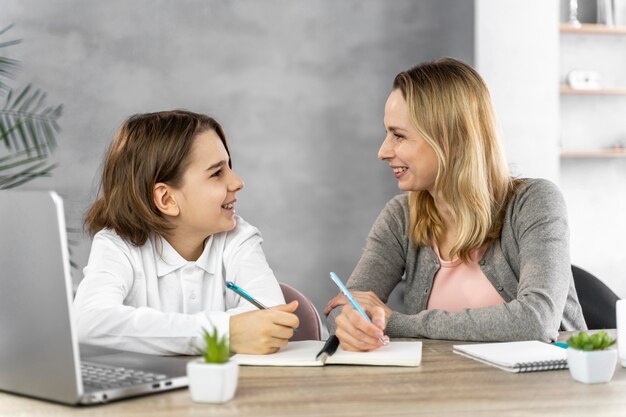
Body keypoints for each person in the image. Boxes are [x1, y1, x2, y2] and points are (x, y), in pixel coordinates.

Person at [324, 58, 586, 352]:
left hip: (548, 390)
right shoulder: (400, 217)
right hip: (443, 388)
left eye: (398, 135)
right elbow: (345, 306)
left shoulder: (535, 203)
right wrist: (349, 323)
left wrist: (396, 322)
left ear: (450, 139)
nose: (383, 151)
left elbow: (537, 320)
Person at [73, 110, 299, 355]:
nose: (237, 182)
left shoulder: (238, 237)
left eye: (229, 167)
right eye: (216, 173)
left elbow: (269, 318)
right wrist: (223, 333)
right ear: (167, 198)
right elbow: (88, 322)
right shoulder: (117, 245)